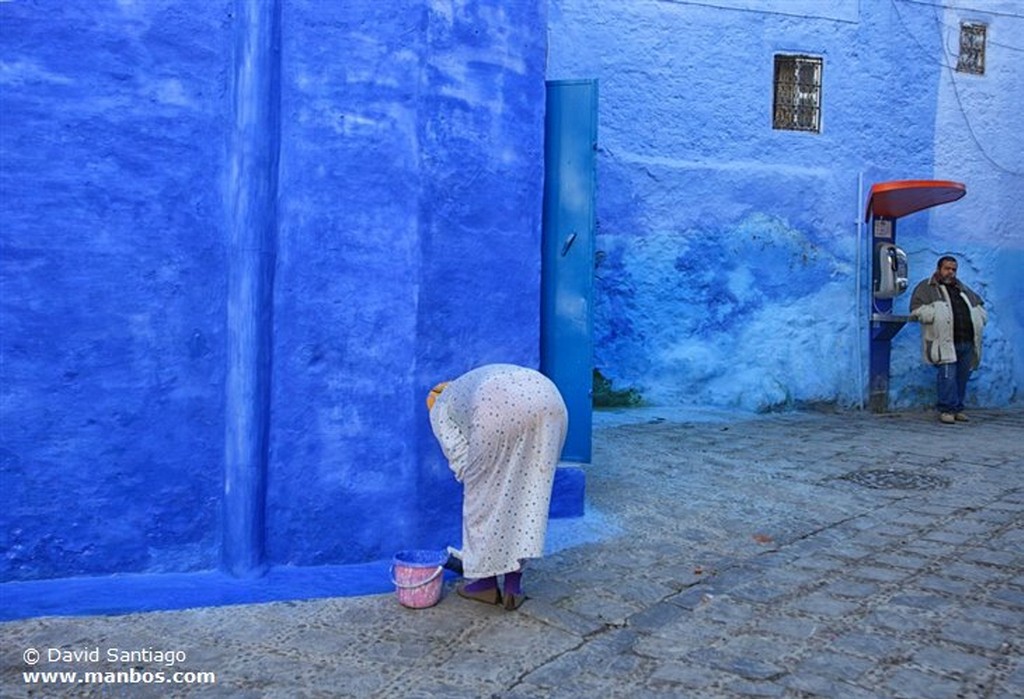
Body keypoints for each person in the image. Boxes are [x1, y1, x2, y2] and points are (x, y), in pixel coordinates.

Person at [426, 364, 568, 610]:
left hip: (496, 403)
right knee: (531, 491)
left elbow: (462, 463)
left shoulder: (439, 408)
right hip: (551, 400)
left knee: (482, 498)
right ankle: (514, 588)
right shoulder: (467, 385)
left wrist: (481, 481)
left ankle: (484, 585)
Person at [909, 255, 987, 424]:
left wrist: (980, 317)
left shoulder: (962, 288)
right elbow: (916, 309)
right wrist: (934, 314)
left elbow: (979, 305)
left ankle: (957, 408)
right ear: (939, 269)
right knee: (947, 376)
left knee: (962, 376)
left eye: (954, 269)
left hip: (966, 340)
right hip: (944, 341)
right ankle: (946, 409)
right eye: (947, 268)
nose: (951, 272)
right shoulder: (927, 287)